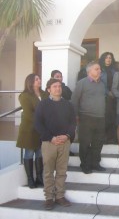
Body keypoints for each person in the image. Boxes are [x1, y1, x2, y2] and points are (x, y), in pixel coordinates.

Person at [35, 78, 76, 210]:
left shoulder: (68, 105)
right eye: (54, 86)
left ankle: (59, 196)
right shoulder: (43, 104)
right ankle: (49, 198)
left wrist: (67, 136)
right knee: (48, 171)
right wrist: (50, 138)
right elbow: (38, 124)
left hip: (64, 142)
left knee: (61, 171)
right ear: (48, 89)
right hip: (49, 143)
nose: (58, 88)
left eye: (59, 86)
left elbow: (73, 123)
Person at [71, 61, 106, 174]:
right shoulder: (82, 83)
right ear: (89, 71)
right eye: (97, 69)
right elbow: (74, 100)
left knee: (98, 142)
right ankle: (85, 164)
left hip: (100, 118)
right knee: (85, 142)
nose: (99, 71)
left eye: (99, 69)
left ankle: (95, 163)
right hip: (86, 117)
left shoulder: (102, 84)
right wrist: (76, 116)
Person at [16, 74, 48, 189]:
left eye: (39, 79)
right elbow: (30, 114)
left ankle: (39, 177)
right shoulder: (24, 96)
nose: (39, 80)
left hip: (42, 129)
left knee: (40, 153)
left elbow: (48, 107)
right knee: (29, 153)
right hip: (29, 129)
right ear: (30, 82)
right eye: (36, 79)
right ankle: (30, 179)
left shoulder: (44, 94)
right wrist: (45, 119)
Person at [98, 52, 118, 143]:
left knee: (113, 117)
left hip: (114, 97)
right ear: (103, 59)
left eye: (110, 58)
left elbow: (117, 82)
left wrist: (114, 92)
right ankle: (104, 138)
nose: (108, 59)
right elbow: (99, 83)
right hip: (103, 97)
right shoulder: (99, 69)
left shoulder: (114, 69)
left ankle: (112, 137)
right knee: (104, 118)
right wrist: (107, 92)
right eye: (106, 58)